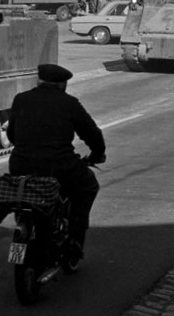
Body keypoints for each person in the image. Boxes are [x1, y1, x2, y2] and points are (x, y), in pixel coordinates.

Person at [7, 63, 106, 260]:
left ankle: (18, 253)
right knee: (88, 187)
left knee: (24, 198)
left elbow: (12, 134)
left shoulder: (21, 99)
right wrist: (97, 154)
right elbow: (91, 133)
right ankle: (74, 241)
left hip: (20, 165)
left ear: (39, 80)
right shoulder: (69, 103)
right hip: (59, 167)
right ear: (62, 84)